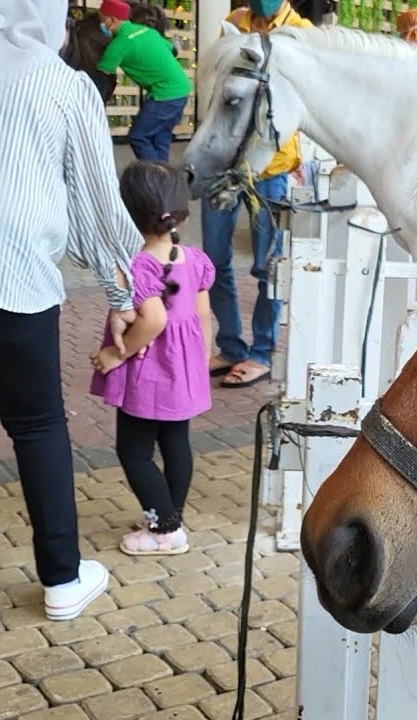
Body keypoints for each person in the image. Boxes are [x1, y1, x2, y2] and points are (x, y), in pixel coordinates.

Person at [0, 0, 143, 620]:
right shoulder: (63, 86)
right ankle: (62, 578)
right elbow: (97, 205)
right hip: (10, 281)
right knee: (37, 424)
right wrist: (122, 295)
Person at [91, 161, 214, 556]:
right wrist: (201, 360)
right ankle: (169, 515)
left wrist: (117, 353)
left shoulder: (139, 265)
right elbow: (203, 316)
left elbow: (154, 319)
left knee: (134, 451)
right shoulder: (194, 259)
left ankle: (164, 529)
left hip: (150, 374)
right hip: (183, 368)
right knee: (176, 443)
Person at [203, 0, 311, 389]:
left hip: (271, 166)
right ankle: (231, 346)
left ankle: (262, 352)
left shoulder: (300, 32)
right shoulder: (234, 24)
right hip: (224, 162)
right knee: (213, 260)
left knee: (267, 267)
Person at [95, 0, 192, 162]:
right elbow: (173, 49)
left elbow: (101, 74)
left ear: (112, 19)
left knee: (139, 136)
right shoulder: (147, 31)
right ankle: (162, 174)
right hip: (182, 90)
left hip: (164, 94)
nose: (101, 25)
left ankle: (152, 172)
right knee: (160, 138)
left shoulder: (120, 43)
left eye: (102, 20)